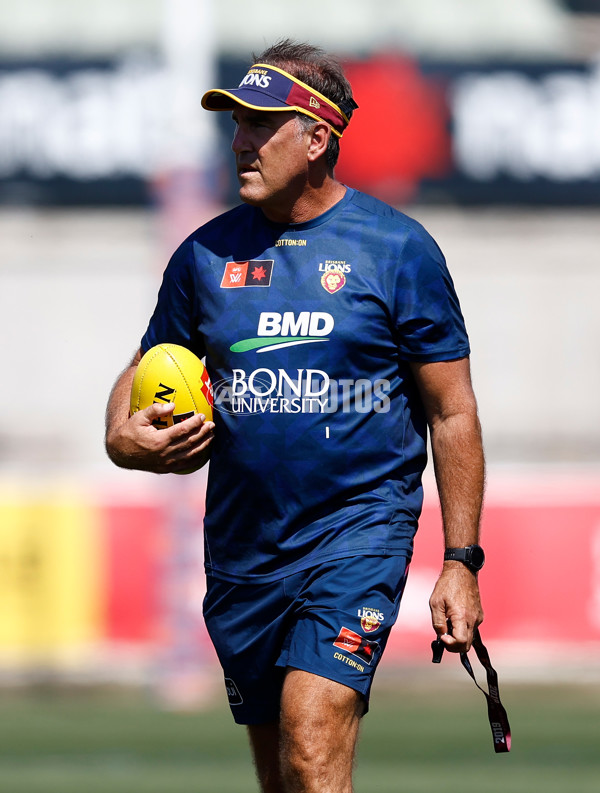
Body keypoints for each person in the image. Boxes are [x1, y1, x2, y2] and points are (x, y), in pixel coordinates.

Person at [105, 39, 485, 793]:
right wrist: (123, 434)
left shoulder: (397, 251)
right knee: (285, 777)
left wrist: (459, 561)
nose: (241, 141)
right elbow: (142, 374)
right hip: (245, 552)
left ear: (317, 139)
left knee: (313, 745)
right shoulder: (203, 256)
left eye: (261, 124)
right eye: (237, 123)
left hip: (356, 537)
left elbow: (453, 412)